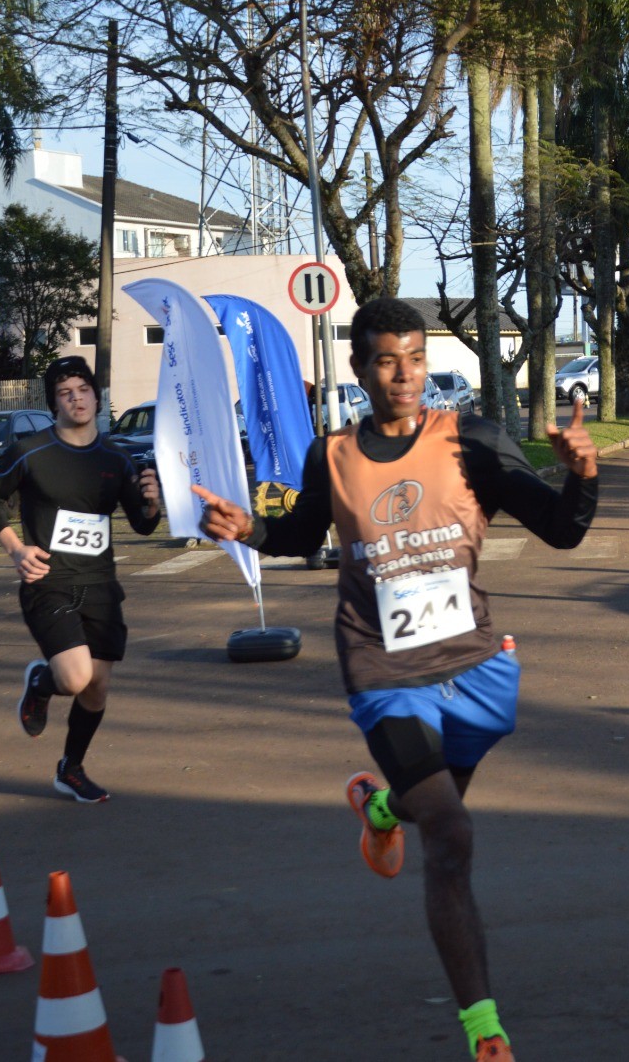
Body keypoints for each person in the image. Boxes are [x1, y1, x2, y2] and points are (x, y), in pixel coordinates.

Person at [192, 297, 598, 1062]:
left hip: (474, 665)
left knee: (430, 803)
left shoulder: (472, 441)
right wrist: (251, 529)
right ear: (359, 369)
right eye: (387, 359)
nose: (405, 373)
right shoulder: (332, 455)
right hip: (382, 668)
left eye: (415, 357)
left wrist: (582, 475)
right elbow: (303, 533)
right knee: (450, 831)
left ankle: (381, 806)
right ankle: (486, 1030)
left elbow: (564, 528)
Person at [0, 356, 161, 803]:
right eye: (65, 392)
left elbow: (142, 524)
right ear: (54, 403)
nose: (76, 398)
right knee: (75, 677)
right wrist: (16, 549)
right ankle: (41, 683)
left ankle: (70, 769)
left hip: (100, 584)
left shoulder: (117, 457)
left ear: (97, 397)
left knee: (97, 686)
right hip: (48, 581)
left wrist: (153, 502)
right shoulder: (31, 451)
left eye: (82, 389)